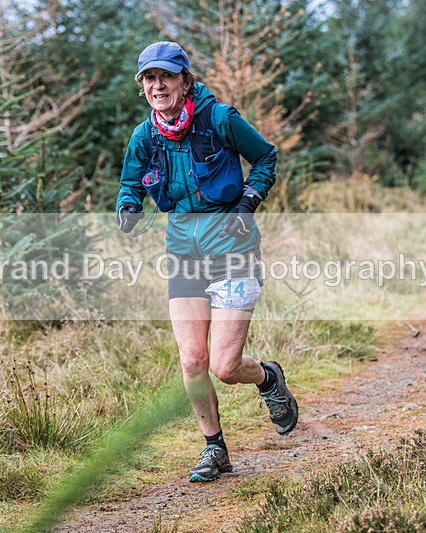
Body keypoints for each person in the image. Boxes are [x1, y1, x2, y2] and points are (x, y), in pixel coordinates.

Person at [116, 42, 298, 483]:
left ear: (184, 80)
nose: (158, 85)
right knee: (192, 360)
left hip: (233, 253)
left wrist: (249, 202)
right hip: (183, 255)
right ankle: (214, 449)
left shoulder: (220, 119)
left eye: (166, 76)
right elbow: (130, 183)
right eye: (149, 79)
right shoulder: (145, 137)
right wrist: (128, 205)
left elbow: (266, 157)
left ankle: (268, 379)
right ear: (142, 88)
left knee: (224, 365)